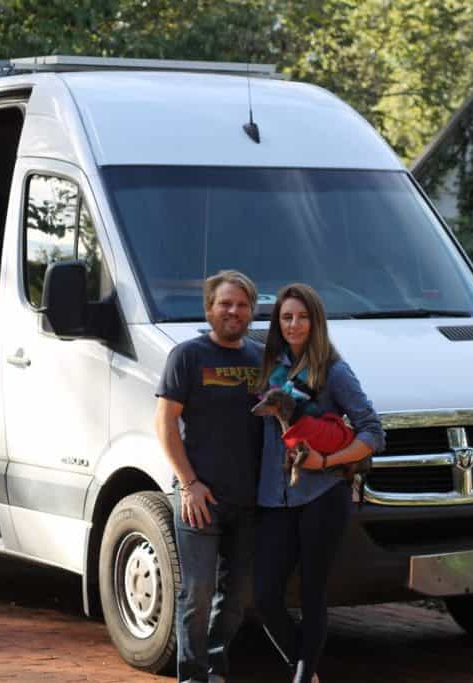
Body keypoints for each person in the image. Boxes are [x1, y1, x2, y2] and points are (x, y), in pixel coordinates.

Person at [254, 283, 385, 683]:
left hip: (322, 495)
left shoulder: (334, 371)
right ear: (278, 322)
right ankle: (306, 670)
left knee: (313, 594)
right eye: (287, 317)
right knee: (265, 598)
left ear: (316, 321)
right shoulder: (270, 370)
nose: (294, 324)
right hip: (274, 498)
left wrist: (327, 459)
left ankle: (301, 674)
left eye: (302, 317)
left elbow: (374, 433)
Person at [155, 270, 265, 683]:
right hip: (199, 498)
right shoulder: (187, 356)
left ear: (251, 311)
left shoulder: (260, 359)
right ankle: (192, 676)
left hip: (250, 500)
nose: (233, 311)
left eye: (241, 305)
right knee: (196, 593)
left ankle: (216, 668)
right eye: (225, 304)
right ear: (209, 309)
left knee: (236, 599)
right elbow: (165, 425)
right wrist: (189, 483)